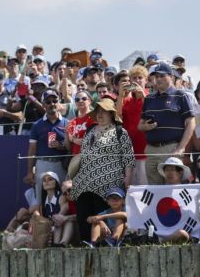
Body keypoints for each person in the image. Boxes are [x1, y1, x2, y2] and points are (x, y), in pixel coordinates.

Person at [71, 98, 134, 242]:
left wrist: (128, 177)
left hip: (108, 182)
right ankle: (87, 244)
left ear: (111, 114)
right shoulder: (90, 130)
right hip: (84, 181)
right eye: (98, 111)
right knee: (84, 214)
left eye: (104, 111)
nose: (100, 115)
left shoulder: (120, 132)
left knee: (104, 214)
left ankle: (106, 243)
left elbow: (128, 158)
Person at [139, 62, 196, 185]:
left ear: (171, 77)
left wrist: (181, 148)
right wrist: (146, 126)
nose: (158, 79)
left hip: (171, 149)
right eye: (156, 76)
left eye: (162, 76)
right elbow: (140, 125)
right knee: (154, 193)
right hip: (151, 150)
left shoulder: (181, 96)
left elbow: (191, 124)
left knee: (173, 191)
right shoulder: (149, 98)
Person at [24, 89, 68, 203]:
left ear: (59, 102)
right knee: (40, 196)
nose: (52, 104)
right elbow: (32, 150)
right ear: (43, 104)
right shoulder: (37, 125)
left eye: (54, 100)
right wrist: (29, 172)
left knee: (63, 196)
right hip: (43, 163)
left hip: (61, 165)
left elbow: (72, 147)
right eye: (48, 102)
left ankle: (60, 220)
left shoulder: (68, 123)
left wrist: (61, 145)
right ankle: (41, 220)